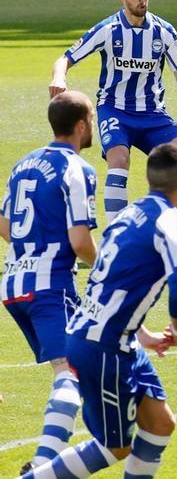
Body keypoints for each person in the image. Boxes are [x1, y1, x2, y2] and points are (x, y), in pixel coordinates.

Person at [23, 143, 177, 479]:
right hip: (104, 348)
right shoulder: (171, 221)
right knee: (115, 446)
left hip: (112, 338)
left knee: (160, 423)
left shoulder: (129, 214)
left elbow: (107, 282)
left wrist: (142, 334)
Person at [48, 0, 177, 226]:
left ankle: (153, 209)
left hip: (153, 114)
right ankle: (116, 234)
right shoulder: (108, 29)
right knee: (119, 159)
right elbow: (65, 58)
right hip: (115, 110)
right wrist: (59, 78)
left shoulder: (164, 31)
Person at [1, 93, 98, 475]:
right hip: (49, 287)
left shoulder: (23, 164)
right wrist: (106, 267)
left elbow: (6, 226)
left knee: (74, 365)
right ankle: (42, 468)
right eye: (91, 119)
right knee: (69, 371)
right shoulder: (78, 169)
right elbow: (79, 241)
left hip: (14, 287)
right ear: (80, 125)